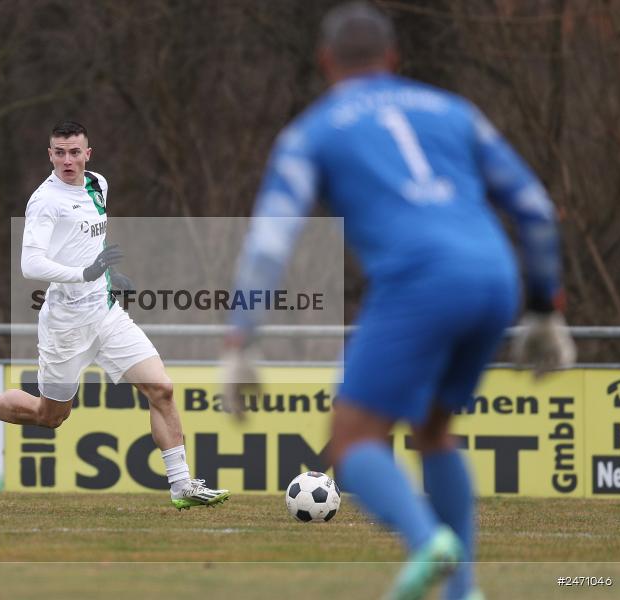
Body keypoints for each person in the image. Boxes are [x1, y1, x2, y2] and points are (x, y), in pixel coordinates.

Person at [222, 3, 575, 599]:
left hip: (419, 280)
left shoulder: (313, 130)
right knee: (434, 431)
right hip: (495, 275)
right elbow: (536, 208)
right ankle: (463, 592)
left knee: (353, 441)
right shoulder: (455, 112)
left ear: (325, 61)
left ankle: (427, 542)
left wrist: (242, 335)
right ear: (393, 58)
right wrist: (546, 308)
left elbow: (269, 240)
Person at [0, 120, 229, 510]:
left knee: (161, 388)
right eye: (59, 152)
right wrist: (84, 274)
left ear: (87, 154)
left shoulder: (98, 184)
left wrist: (106, 275)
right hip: (65, 326)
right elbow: (30, 264)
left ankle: (181, 486)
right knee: (50, 415)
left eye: (75, 152)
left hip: (106, 314)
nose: (68, 160)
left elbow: (88, 241)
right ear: (50, 155)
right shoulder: (45, 201)